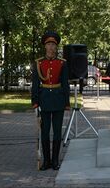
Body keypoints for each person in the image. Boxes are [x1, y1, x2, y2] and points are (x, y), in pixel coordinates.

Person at [31, 30, 70, 171]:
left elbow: (65, 83)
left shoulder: (62, 63)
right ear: (45, 46)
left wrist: (67, 103)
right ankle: (46, 161)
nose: (51, 47)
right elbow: (35, 84)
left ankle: (55, 161)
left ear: (56, 46)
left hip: (58, 100)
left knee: (58, 132)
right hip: (45, 100)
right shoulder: (39, 63)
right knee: (45, 132)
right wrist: (35, 102)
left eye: (54, 44)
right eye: (49, 44)